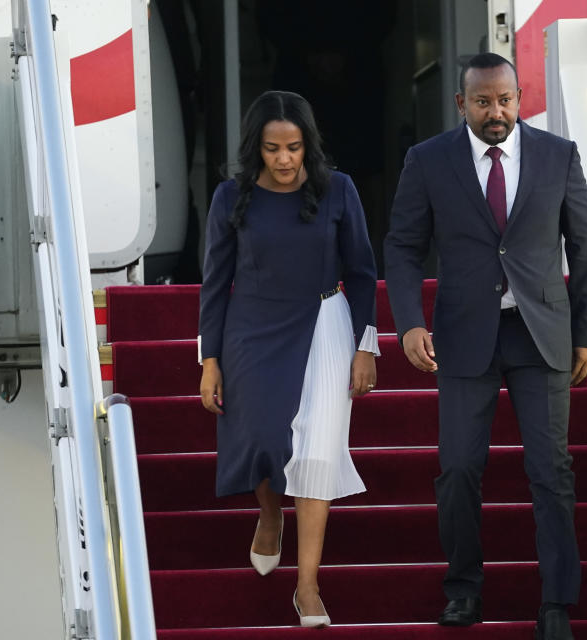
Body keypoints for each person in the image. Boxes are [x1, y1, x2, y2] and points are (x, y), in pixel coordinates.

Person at [384, 53, 587, 640]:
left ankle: (557, 600)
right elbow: (403, 248)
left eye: (505, 99)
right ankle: (463, 589)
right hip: (462, 335)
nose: (496, 111)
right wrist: (408, 323)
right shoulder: (428, 161)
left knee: (550, 470)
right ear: (463, 105)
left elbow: (585, 248)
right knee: (457, 468)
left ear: (519, 97)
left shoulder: (559, 155)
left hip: (542, 334)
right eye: (483, 102)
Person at [198, 90, 379, 629]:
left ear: (308, 146)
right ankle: (271, 513)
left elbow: (364, 272)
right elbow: (214, 282)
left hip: (325, 322)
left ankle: (307, 586)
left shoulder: (339, 190)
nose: (283, 159)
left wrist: (366, 344)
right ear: (257, 147)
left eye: (294, 148)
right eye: (273, 148)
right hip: (250, 329)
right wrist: (209, 359)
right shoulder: (230, 197)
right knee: (260, 439)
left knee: (317, 454)